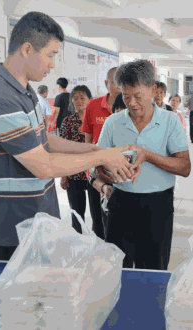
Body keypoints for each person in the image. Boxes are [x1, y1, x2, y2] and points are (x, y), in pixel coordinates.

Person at [0, 11, 134, 261]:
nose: (52, 64)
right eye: (50, 55)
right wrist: (102, 157)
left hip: (36, 218)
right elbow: (43, 165)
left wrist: (94, 150)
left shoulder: (25, 93)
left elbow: (45, 140)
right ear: (27, 49)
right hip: (13, 226)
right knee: (20, 298)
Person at [95, 59, 191, 270]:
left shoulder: (170, 121)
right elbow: (98, 166)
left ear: (153, 89)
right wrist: (109, 174)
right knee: (118, 267)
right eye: (126, 96)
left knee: (154, 267)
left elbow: (185, 167)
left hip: (157, 206)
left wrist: (147, 155)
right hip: (121, 203)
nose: (131, 103)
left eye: (137, 96)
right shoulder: (113, 123)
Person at [81, 67, 121, 239]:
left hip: (121, 174)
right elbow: (87, 142)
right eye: (115, 82)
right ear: (106, 84)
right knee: (98, 222)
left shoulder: (131, 107)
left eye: (123, 83)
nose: (120, 87)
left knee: (118, 224)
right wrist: (89, 171)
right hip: (97, 174)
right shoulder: (93, 106)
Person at [88, 93, 127, 237]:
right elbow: (91, 175)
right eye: (118, 113)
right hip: (112, 203)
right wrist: (103, 186)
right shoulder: (105, 141)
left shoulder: (141, 143)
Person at [60, 85, 93, 233]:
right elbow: (62, 150)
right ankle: (78, 242)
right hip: (73, 171)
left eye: (82, 97)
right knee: (77, 213)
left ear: (89, 100)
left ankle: (97, 243)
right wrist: (63, 175)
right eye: (76, 98)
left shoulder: (96, 121)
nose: (79, 101)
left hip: (94, 173)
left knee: (97, 213)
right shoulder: (68, 121)